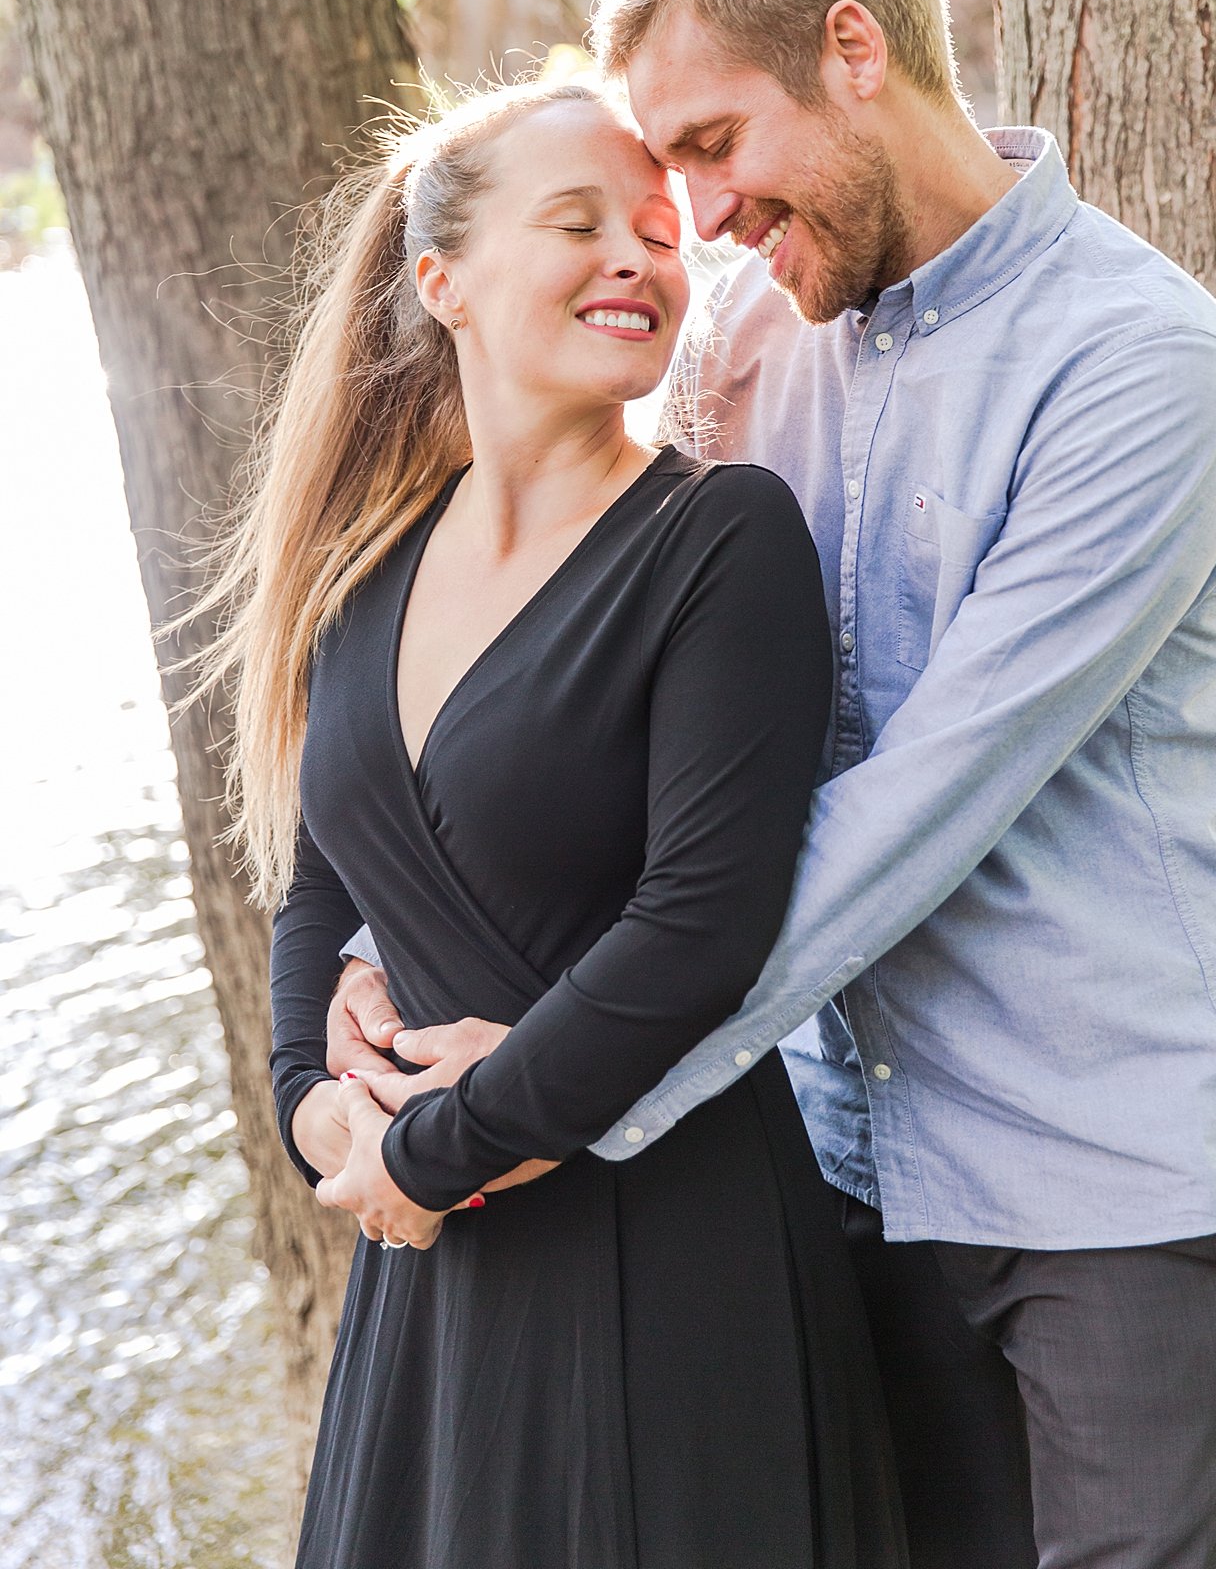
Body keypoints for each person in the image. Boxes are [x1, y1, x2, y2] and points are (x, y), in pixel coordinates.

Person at [334, 0, 1216, 1569]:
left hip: (1110, 1175)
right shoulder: (747, 349)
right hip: (838, 1162)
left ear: (852, 50)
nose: (694, 218)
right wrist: (383, 924)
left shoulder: (1133, 364)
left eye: (712, 146)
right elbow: (572, 668)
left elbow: (922, 802)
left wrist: (563, 1092)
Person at [211, 78, 907, 1568]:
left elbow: (699, 928)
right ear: (441, 282)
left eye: (659, 235)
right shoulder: (368, 566)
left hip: (663, 1240)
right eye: (579, 223)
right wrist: (313, 1107)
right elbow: (323, 889)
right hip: (437, 1264)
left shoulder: (718, 539)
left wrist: (434, 1149)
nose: (639, 261)